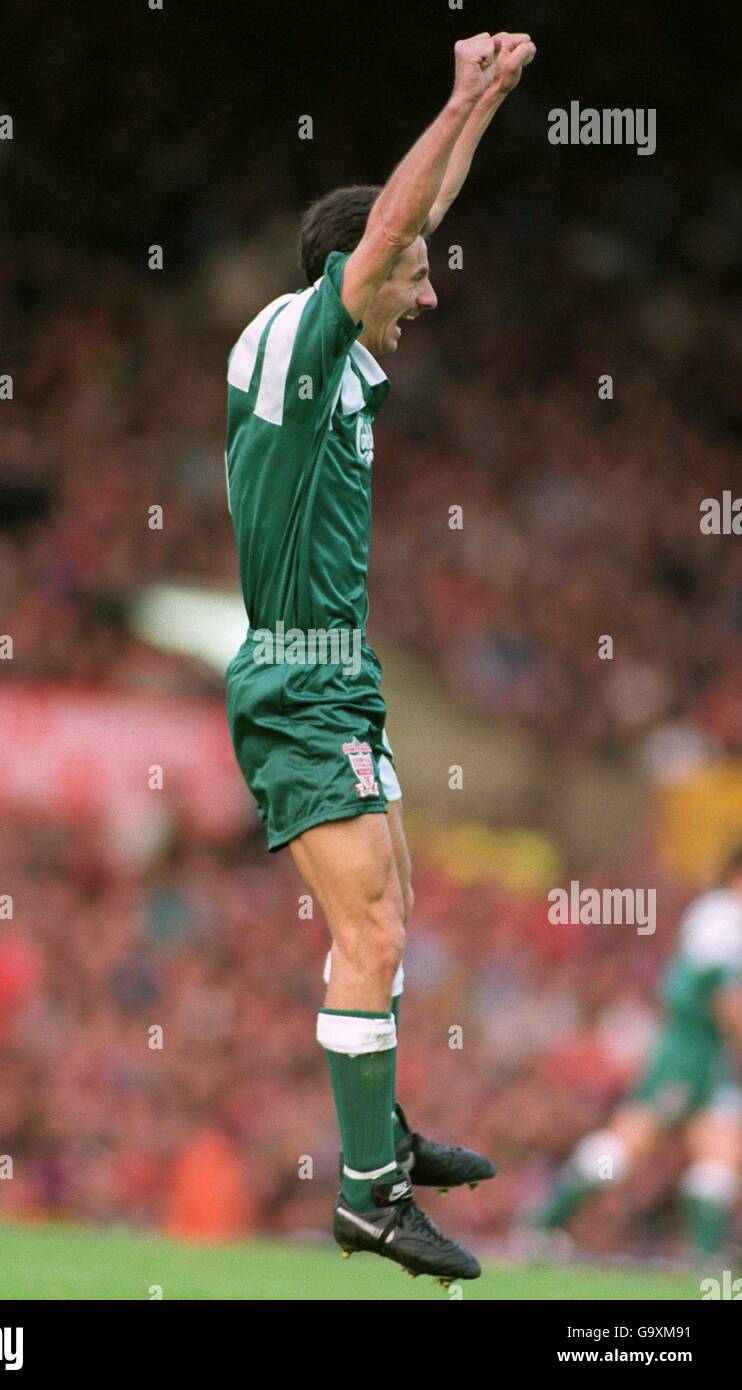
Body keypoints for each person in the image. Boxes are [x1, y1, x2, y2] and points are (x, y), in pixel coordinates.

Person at [225, 32, 536, 1282]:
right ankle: (366, 1197)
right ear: (356, 277)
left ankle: (382, 1144)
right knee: (370, 936)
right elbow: (389, 234)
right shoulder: (308, 352)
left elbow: (416, 214)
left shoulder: (326, 353)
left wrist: (487, 110)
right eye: (415, 274)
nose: (431, 291)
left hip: (337, 675)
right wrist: (452, 95)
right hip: (301, 677)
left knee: (391, 918)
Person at [536, 849, 742, 1261]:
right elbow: (725, 997)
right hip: (690, 1046)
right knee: (630, 1141)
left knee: (720, 1151)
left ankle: (702, 1258)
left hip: (713, 1051)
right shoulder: (720, 915)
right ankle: (543, 1223)